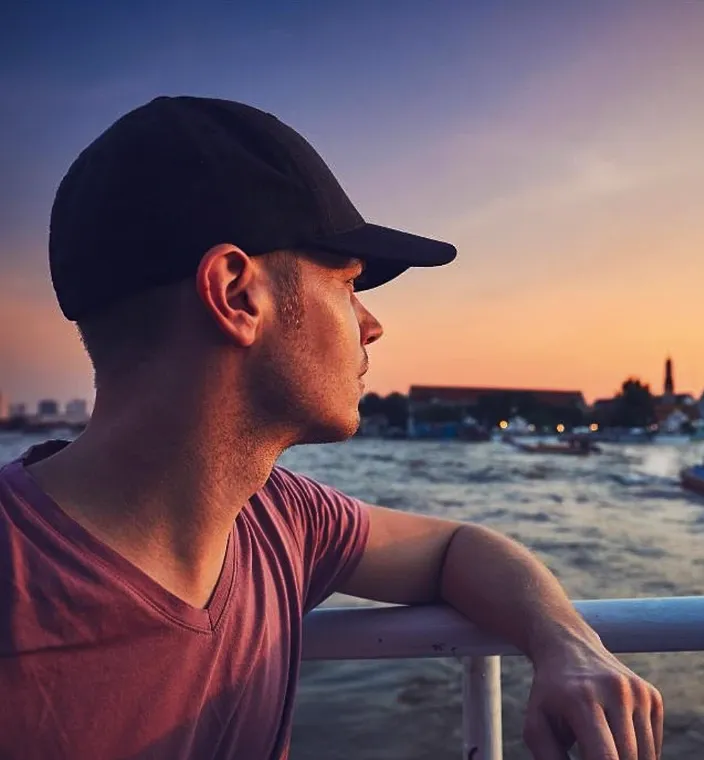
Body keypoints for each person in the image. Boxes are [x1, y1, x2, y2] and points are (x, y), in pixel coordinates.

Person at [0, 97, 662, 760]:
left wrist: (564, 642)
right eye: (347, 284)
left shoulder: (277, 521)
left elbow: (457, 548)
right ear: (236, 294)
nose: (372, 324)